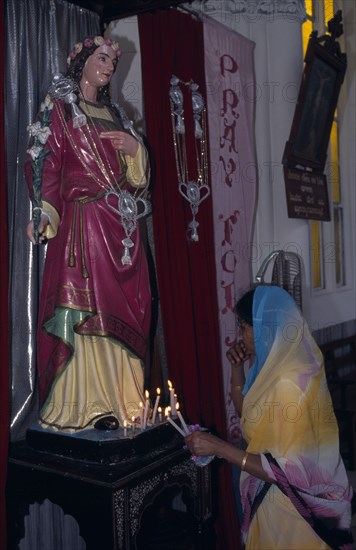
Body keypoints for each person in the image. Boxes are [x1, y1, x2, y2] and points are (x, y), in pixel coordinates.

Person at [25, 36, 151, 432]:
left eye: (114, 61)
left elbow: (137, 183)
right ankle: (80, 406)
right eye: (103, 58)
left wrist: (136, 149)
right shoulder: (61, 112)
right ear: (81, 62)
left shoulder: (118, 116)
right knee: (84, 314)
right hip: (84, 227)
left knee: (124, 308)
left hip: (121, 231)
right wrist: (43, 212)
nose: (110, 66)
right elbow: (48, 166)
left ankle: (122, 399)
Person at [185, 285, 353, 549]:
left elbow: (283, 471)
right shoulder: (275, 367)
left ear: (266, 326)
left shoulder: (289, 383)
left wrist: (218, 447)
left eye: (243, 326)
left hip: (293, 512)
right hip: (272, 497)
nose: (239, 335)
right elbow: (248, 415)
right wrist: (237, 370)